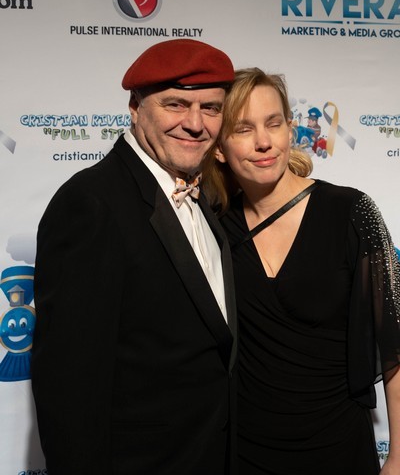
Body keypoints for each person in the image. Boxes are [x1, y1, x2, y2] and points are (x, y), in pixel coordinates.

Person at [31, 39, 238, 475]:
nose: (195, 124)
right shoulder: (91, 203)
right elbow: (69, 386)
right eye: (176, 104)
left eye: (211, 108)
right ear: (135, 107)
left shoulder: (203, 195)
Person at [203, 67, 400, 475]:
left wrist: (398, 458)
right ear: (219, 148)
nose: (263, 142)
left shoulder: (351, 212)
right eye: (243, 129)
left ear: (290, 130)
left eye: (273, 123)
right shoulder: (212, 227)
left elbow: (395, 348)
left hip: (340, 451)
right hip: (246, 455)